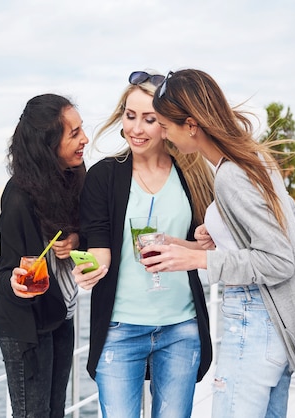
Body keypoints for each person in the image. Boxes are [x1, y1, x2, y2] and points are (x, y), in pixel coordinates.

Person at [150, 68, 295, 417]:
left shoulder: (231, 175)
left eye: (164, 125)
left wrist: (199, 262)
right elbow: (290, 222)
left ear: (191, 125)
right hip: (273, 322)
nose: (162, 134)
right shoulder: (251, 160)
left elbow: (280, 260)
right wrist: (208, 240)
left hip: (253, 317)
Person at [72, 70, 215, 418]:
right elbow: (100, 246)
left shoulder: (193, 174)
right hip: (120, 327)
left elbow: (209, 250)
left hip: (182, 326)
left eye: (149, 119)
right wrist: (91, 269)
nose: (136, 128)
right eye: (130, 115)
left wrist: (193, 244)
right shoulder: (104, 176)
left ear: (167, 122)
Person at [0, 93, 89, 417]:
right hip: (26, 325)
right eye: (73, 134)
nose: (84, 139)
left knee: (55, 412)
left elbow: (88, 229)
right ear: (48, 144)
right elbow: (4, 273)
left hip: (62, 313)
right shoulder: (19, 197)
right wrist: (16, 282)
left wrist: (75, 239)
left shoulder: (73, 178)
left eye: (81, 129)